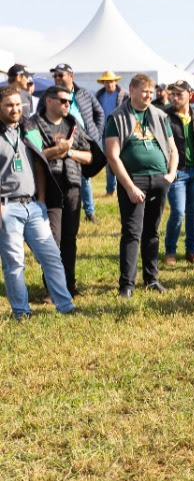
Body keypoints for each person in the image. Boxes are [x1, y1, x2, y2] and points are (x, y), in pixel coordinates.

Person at [0, 86, 76, 319]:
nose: (15, 109)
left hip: (33, 206)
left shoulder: (28, 129)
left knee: (51, 257)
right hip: (7, 207)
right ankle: (21, 312)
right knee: (15, 262)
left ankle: (65, 306)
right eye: (9, 105)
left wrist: (41, 200)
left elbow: (40, 164)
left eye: (17, 104)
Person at [104, 73, 178, 298]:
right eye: (144, 91)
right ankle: (127, 284)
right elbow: (112, 155)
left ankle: (151, 279)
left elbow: (173, 149)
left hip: (160, 179)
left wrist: (171, 174)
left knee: (152, 232)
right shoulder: (117, 117)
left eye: (151, 92)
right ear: (132, 90)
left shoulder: (160, 116)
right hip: (134, 181)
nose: (148, 95)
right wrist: (129, 187)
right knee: (132, 233)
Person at [33, 85, 98, 300]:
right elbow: (34, 156)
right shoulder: (34, 124)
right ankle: (52, 288)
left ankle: (69, 284)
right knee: (52, 240)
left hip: (72, 187)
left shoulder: (73, 124)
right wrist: (56, 151)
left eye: (69, 101)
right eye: (62, 101)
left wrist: (69, 151)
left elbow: (89, 156)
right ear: (49, 101)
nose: (67, 105)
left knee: (70, 238)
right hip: (48, 188)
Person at [162, 80, 194, 267]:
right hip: (178, 173)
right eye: (173, 94)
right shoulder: (165, 116)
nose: (175, 98)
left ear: (189, 95)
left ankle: (191, 252)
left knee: (193, 212)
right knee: (177, 211)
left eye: (179, 94)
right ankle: (170, 251)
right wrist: (169, 169)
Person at [50, 63, 105, 227]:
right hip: (61, 140)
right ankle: (64, 210)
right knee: (64, 176)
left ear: (71, 76)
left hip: (84, 141)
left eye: (61, 75)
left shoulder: (84, 94)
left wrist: (96, 133)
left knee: (85, 177)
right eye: (55, 76)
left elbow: (99, 112)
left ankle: (89, 212)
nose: (57, 78)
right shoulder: (50, 96)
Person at [95, 71, 123, 201]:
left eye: (111, 81)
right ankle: (110, 190)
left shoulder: (124, 95)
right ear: (103, 83)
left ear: (115, 81)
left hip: (121, 132)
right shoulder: (99, 96)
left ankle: (122, 187)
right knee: (109, 161)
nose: (109, 84)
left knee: (124, 160)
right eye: (106, 81)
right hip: (106, 132)